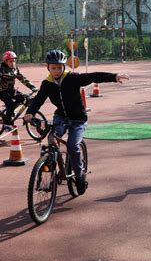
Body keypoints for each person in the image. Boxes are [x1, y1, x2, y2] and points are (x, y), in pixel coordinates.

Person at [24, 49, 129, 195]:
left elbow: (93, 77)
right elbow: (38, 100)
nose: (56, 71)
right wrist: (30, 113)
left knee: (73, 146)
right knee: (52, 138)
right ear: (48, 67)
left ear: (64, 67)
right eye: (53, 68)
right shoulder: (47, 84)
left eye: (59, 67)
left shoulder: (72, 78)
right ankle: (52, 164)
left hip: (78, 118)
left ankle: (79, 176)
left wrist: (113, 77)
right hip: (60, 117)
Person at [0, 51, 38, 129]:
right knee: (10, 104)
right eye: (10, 61)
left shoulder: (15, 70)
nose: (13, 63)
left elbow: (23, 79)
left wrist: (33, 87)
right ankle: (7, 124)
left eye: (14, 61)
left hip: (10, 89)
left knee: (22, 98)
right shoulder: (2, 70)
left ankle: (10, 111)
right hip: (0, 91)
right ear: (5, 62)